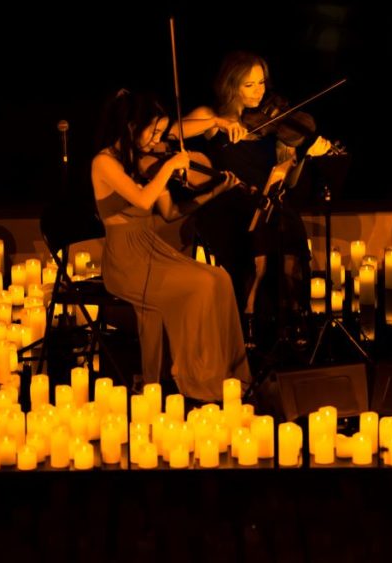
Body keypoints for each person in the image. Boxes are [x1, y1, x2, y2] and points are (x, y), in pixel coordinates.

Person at [91, 88, 251, 402]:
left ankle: (227, 373)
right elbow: (143, 198)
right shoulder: (105, 163)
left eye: (161, 133)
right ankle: (195, 376)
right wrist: (168, 167)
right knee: (202, 284)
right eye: (153, 132)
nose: (157, 141)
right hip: (126, 260)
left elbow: (170, 212)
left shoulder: (143, 162)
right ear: (131, 127)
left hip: (152, 248)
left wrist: (215, 192)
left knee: (219, 277)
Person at [172, 51, 323, 337]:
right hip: (227, 202)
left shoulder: (274, 127)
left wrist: (301, 156)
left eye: (262, 83)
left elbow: (287, 183)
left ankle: (293, 316)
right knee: (260, 230)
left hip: (264, 201)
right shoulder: (211, 116)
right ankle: (249, 320)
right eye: (249, 85)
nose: (259, 91)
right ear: (232, 86)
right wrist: (218, 123)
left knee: (288, 222)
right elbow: (173, 130)